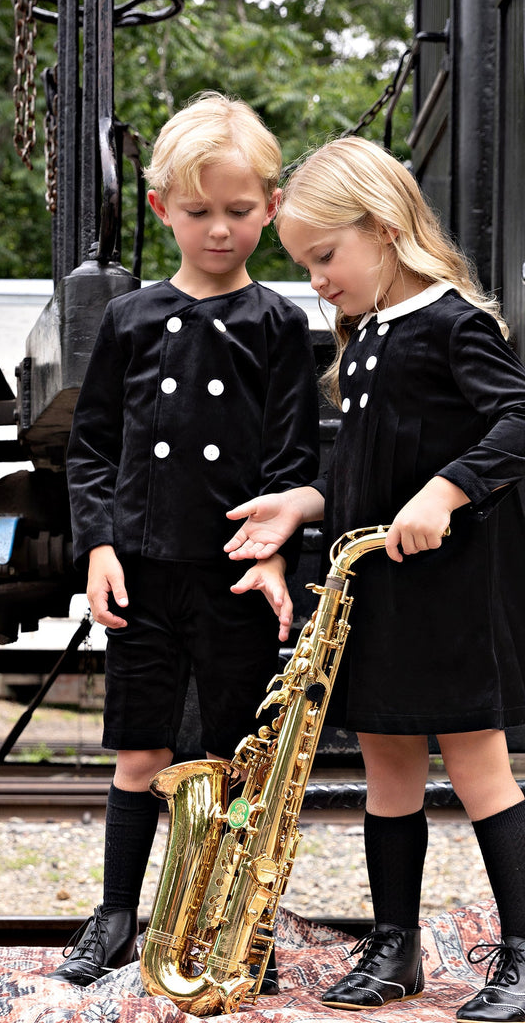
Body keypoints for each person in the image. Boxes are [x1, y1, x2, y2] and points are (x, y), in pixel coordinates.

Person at [223, 136, 525, 1023]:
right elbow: (360, 475)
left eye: (325, 258)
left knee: (481, 767)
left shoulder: (454, 321)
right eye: (304, 267)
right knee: (387, 765)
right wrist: (300, 504)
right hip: (376, 595)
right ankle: (395, 945)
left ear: (381, 229)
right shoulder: (366, 334)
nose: (318, 282)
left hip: (451, 596)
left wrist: (448, 490)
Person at [49, 92, 320, 991]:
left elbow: (292, 451)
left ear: (272, 209)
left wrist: (277, 550)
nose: (219, 231)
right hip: (143, 571)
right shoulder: (129, 321)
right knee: (141, 751)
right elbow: (92, 446)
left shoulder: (280, 325)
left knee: (241, 760)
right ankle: (118, 915)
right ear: (162, 209)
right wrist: (97, 546)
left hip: (238, 575)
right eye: (198, 212)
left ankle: (240, 927)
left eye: (239, 212)